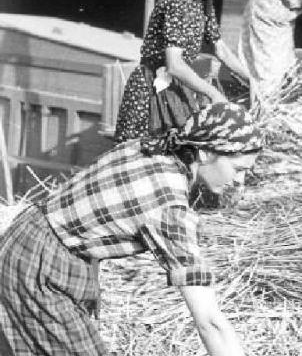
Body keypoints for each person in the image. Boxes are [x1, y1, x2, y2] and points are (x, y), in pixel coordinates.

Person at [0, 102, 263, 356]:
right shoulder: (167, 206)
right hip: (41, 260)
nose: (238, 181)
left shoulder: (155, 146)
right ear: (205, 153)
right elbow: (210, 322)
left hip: (34, 235)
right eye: (237, 169)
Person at [114, 0, 249, 143]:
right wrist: (213, 93)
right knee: (151, 153)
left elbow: (220, 48)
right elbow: (175, 65)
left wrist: (250, 80)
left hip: (177, 86)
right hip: (152, 90)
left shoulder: (205, 2)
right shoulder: (176, 2)